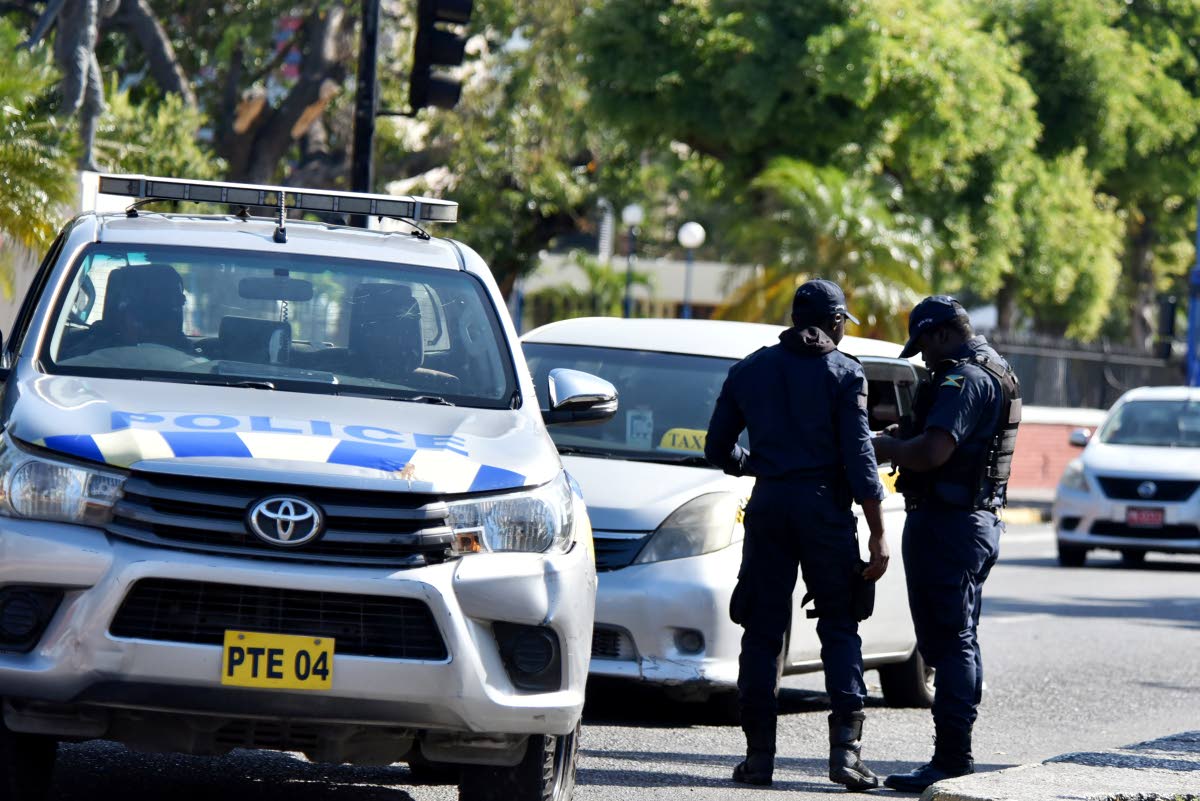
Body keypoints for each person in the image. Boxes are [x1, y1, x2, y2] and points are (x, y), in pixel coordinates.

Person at [705, 279, 889, 791]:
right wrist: (878, 533)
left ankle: (758, 759)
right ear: (835, 322)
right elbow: (860, 458)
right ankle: (845, 756)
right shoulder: (845, 372)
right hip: (824, 511)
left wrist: (758, 466)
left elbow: (717, 447)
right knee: (840, 626)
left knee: (761, 632)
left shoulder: (750, 369)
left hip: (769, 506)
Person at [872, 296, 1021, 792]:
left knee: (951, 643)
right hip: (966, 521)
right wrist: (901, 434)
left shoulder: (965, 378)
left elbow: (934, 451)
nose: (923, 356)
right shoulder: (991, 367)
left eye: (925, 345)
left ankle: (953, 758)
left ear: (942, 334)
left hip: (950, 523)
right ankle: (954, 755)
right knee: (957, 639)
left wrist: (883, 447)